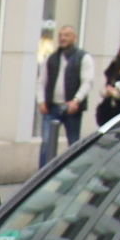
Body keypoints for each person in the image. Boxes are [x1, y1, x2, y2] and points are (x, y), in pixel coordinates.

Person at [39, 25, 88, 162]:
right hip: (51, 107)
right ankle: (43, 175)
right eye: (60, 35)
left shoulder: (83, 57)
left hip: (71, 108)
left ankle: (73, 173)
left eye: (67, 35)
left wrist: (76, 100)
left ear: (74, 37)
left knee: (73, 143)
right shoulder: (51, 58)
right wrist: (41, 101)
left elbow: (87, 82)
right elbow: (41, 81)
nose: (62, 38)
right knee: (47, 143)